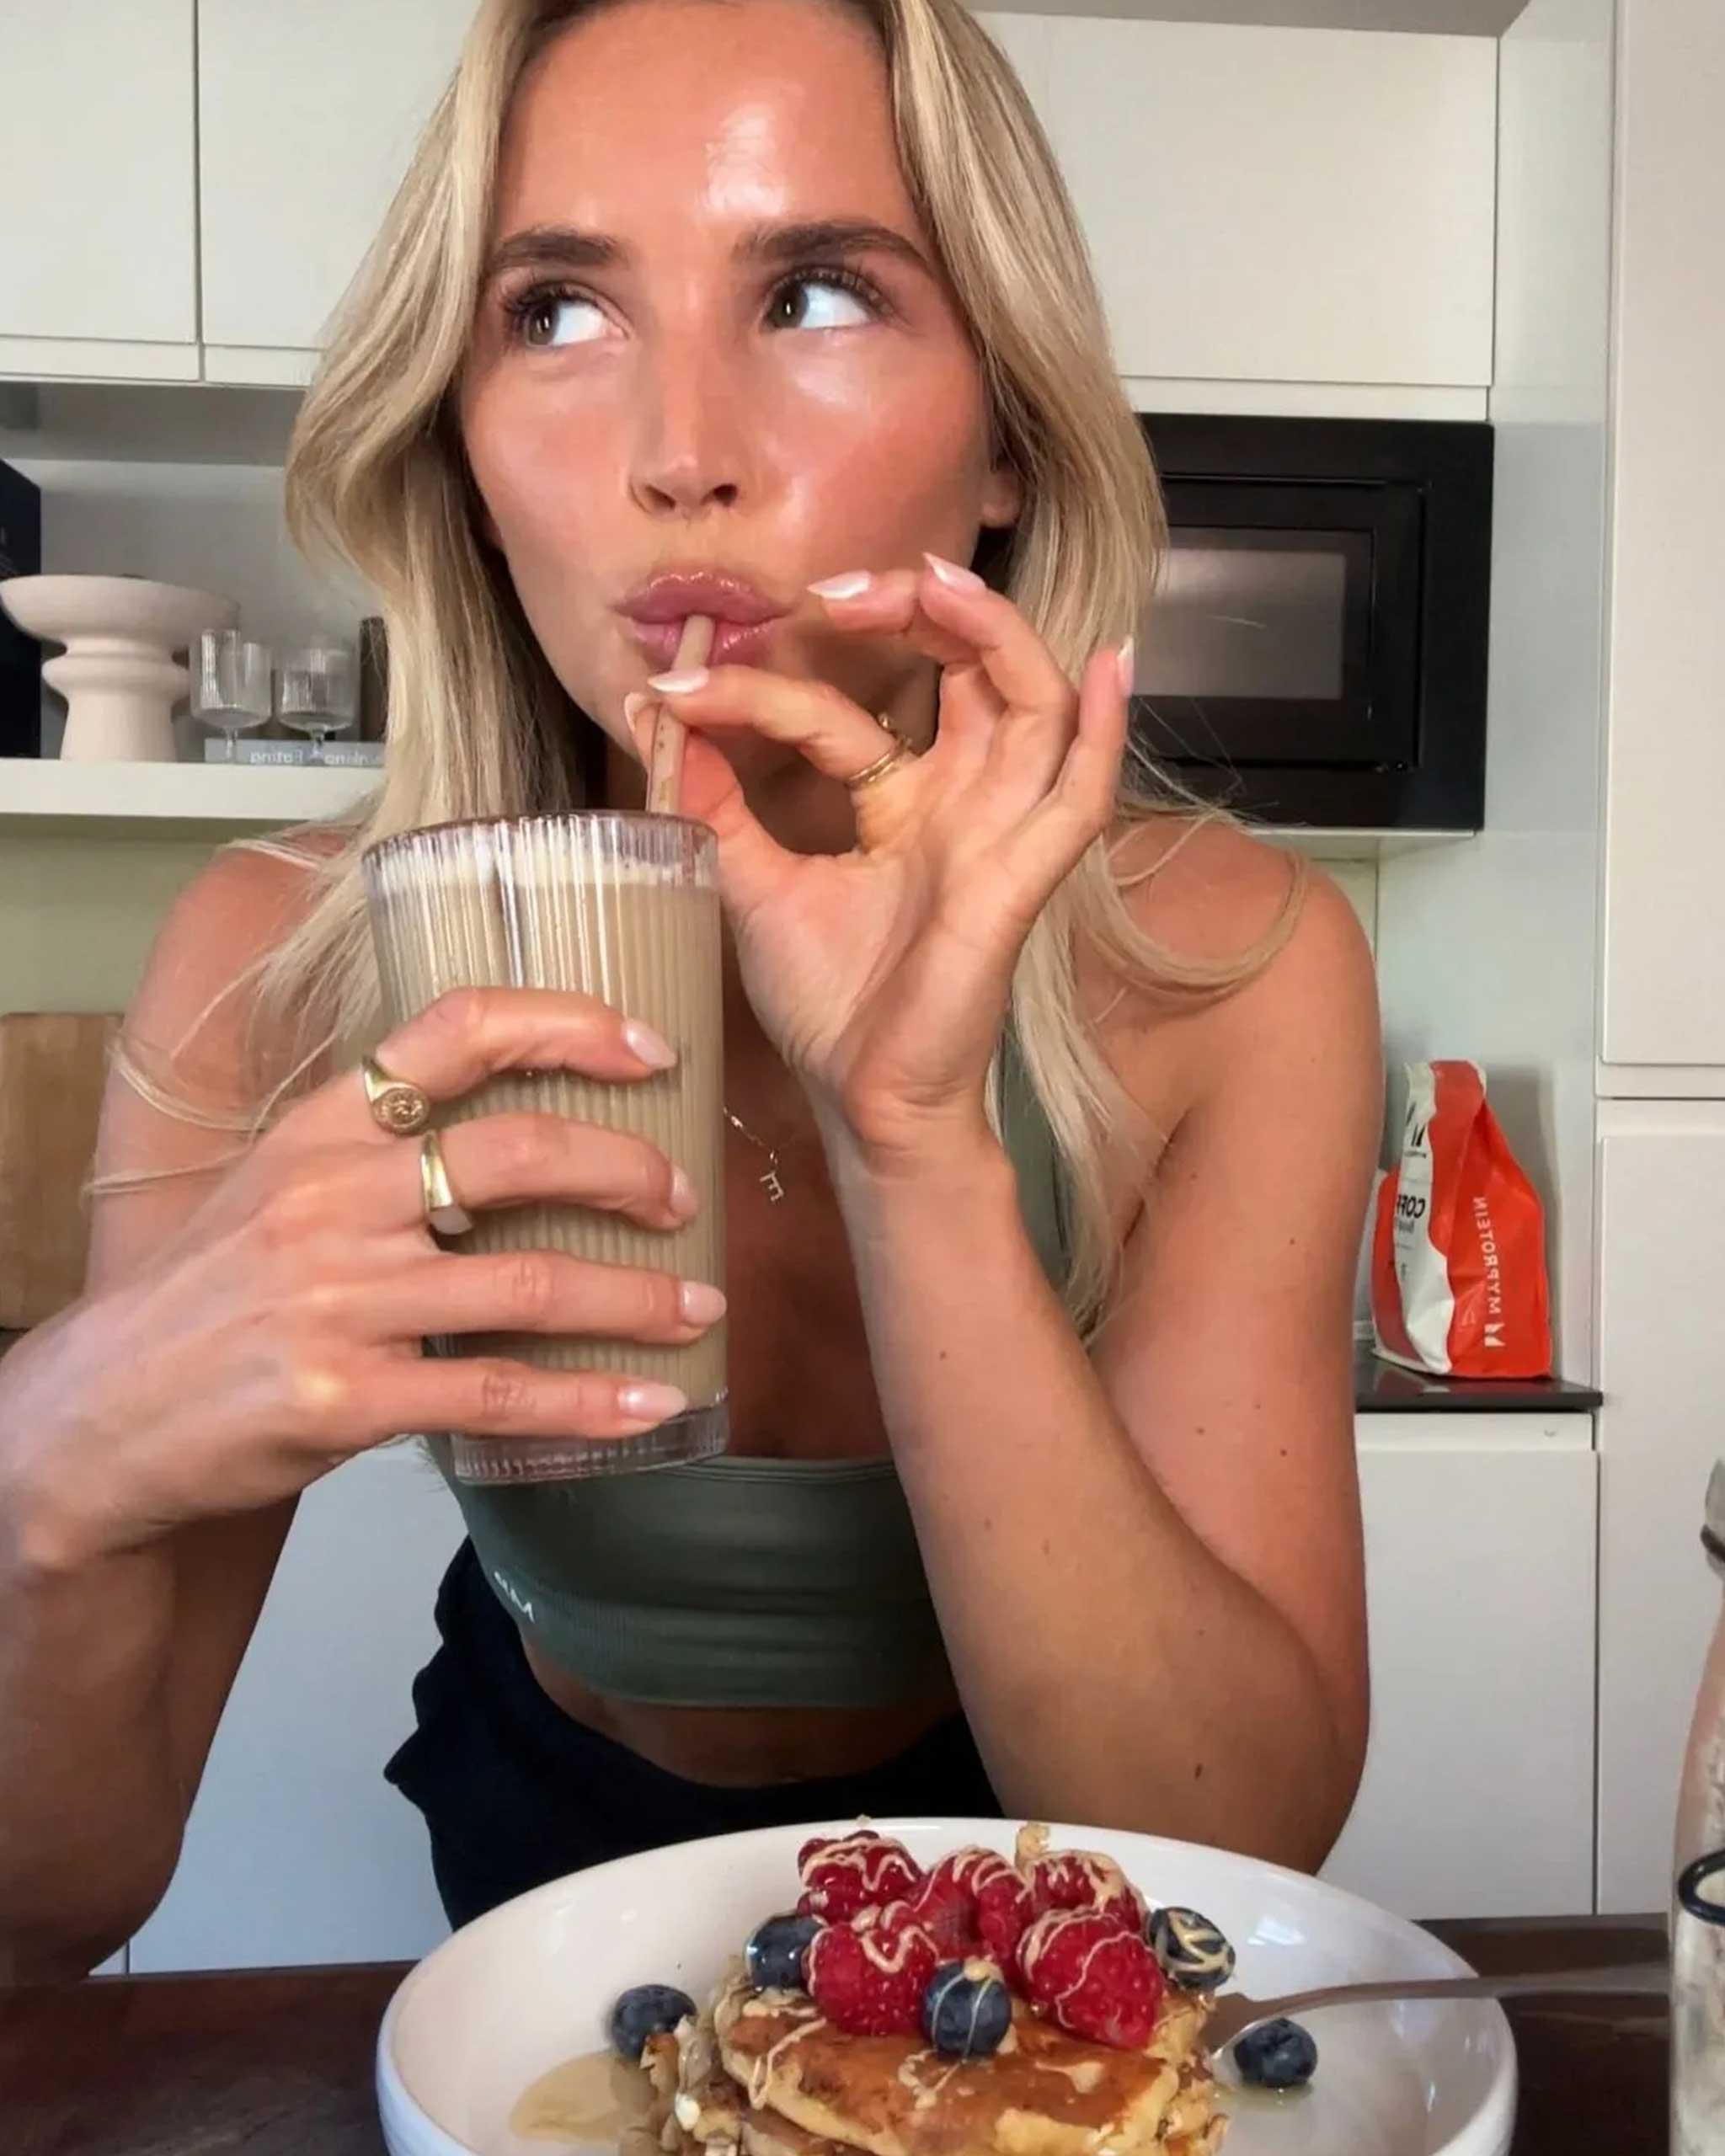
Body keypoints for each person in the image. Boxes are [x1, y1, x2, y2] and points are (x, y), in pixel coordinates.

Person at [0, 0, 1380, 1977]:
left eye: (815, 293)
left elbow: (1223, 1843)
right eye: (557, 311)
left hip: (1040, 1943)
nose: (678, 456)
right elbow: (54, 1899)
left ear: (1006, 433)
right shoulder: (281, 962)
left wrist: (915, 1139)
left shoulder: (1233, 967)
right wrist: (49, 1458)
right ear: (459, 440)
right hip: (540, 1901)